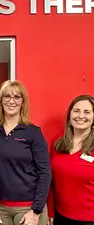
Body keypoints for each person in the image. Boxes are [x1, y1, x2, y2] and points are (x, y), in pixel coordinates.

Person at [0, 80, 51, 225]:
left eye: (17, 97)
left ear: (23, 102)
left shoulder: (33, 132)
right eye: (7, 96)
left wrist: (36, 210)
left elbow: (45, 173)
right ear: (1, 101)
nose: (11, 101)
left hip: (28, 208)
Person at [50, 95, 94, 225]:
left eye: (87, 112)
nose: (80, 116)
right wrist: (50, 211)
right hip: (61, 217)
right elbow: (50, 180)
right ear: (69, 116)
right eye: (76, 111)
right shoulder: (58, 143)